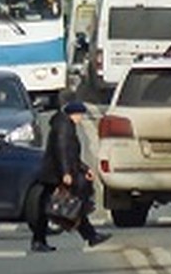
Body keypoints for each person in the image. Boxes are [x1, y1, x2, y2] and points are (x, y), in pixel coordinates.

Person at [30, 100, 111, 252]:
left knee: (60, 206)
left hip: (55, 172)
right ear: (74, 114)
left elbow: (71, 153)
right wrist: (65, 173)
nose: (81, 118)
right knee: (67, 205)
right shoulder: (64, 127)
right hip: (57, 173)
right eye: (80, 115)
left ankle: (40, 240)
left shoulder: (63, 124)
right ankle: (90, 236)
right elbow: (62, 150)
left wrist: (84, 168)